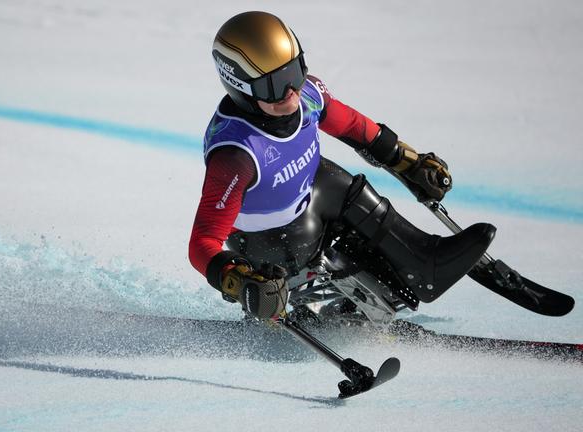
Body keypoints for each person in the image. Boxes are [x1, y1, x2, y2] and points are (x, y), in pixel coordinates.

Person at [188, 11, 496, 321]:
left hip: (308, 206)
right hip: (270, 248)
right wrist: (238, 279)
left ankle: (423, 264)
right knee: (326, 179)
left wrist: (407, 161)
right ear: (241, 87)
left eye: (295, 71)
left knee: (335, 179)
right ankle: (316, 298)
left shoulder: (307, 95)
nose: (292, 91)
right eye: (276, 84)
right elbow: (202, 242)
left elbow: (353, 126)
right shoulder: (236, 155)